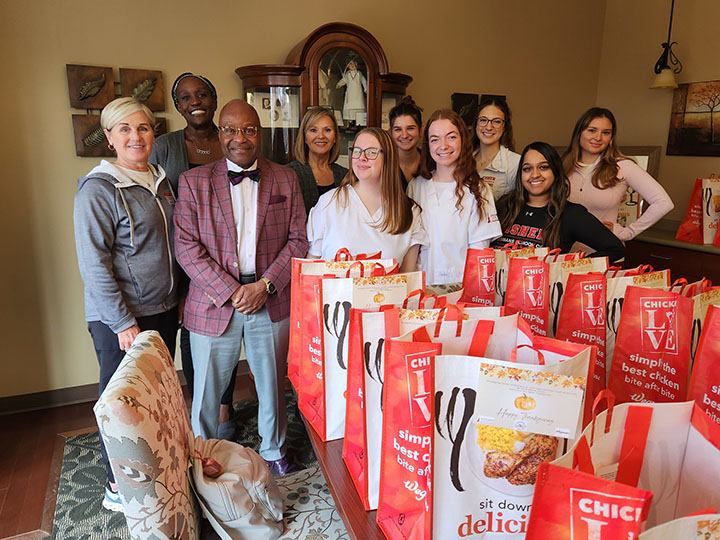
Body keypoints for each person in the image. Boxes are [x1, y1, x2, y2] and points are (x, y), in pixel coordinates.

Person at [174, 99, 308, 477]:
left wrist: (264, 285)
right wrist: (232, 291)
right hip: (214, 302)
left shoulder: (285, 178)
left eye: (248, 129)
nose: (240, 138)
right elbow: (185, 246)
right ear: (220, 134)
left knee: (272, 385)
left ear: (258, 133)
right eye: (231, 130)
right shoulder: (193, 181)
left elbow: (299, 240)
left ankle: (274, 449)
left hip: (270, 297)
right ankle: (202, 456)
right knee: (205, 391)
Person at [73, 97, 180, 512]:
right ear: (111, 138)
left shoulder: (160, 179)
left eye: (144, 128)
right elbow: (93, 263)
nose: (136, 136)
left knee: (154, 395)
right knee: (120, 402)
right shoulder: (97, 189)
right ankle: (117, 483)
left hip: (162, 307)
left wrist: (179, 298)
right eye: (125, 129)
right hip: (120, 317)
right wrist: (121, 322)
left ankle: (156, 471)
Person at [149, 72, 237, 438]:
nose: (194, 101)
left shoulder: (231, 138)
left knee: (230, 327)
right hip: (184, 255)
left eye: (202, 94)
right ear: (178, 106)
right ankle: (199, 401)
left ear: (215, 101)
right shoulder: (165, 146)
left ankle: (224, 405)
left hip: (230, 255)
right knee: (193, 333)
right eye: (185, 97)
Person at [307, 127, 426, 270]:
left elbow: (408, 276)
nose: (362, 158)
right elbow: (311, 268)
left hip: (385, 293)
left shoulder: (408, 211)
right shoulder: (329, 202)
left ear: (388, 158)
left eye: (371, 152)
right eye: (357, 151)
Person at [408, 109, 501, 284]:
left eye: (451, 137)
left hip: (461, 288)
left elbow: (480, 254)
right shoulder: (416, 186)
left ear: (463, 140)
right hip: (421, 287)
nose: (443, 146)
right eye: (435, 139)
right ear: (428, 145)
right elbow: (409, 246)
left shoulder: (479, 190)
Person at [493, 141, 626, 264]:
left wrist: (570, 267)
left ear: (555, 172)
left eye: (543, 167)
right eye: (527, 168)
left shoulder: (571, 214)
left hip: (540, 288)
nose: (535, 174)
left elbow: (615, 249)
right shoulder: (504, 206)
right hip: (495, 287)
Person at [563, 107, 673, 241]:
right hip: (564, 255)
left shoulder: (623, 166)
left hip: (604, 254)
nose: (598, 137)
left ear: (611, 137)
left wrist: (627, 232)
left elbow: (663, 202)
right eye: (592, 130)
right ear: (579, 132)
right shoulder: (562, 165)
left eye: (606, 132)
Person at [286, 107, 347, 213]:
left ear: (335, 137)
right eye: (313, 130)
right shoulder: (289, 173)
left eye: (327, 130)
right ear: (305, 137)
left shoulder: (346, 176)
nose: (321, 136)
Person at [472, 96, 521, 200]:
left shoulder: (515, 164)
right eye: (483, 120)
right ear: (476, 124)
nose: (489, 127)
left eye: (497, 121)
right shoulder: (463, 160)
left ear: (504, 127)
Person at [389, 95, 423, 189]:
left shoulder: (431, 163)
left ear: (421, 130)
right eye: (398, 129)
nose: (404, 135)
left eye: (410, 128)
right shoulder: (384, 164)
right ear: (391, 133)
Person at [336, 59, 367, 124]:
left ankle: (359, 121)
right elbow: (344, 80)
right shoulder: (348, 74)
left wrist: (366, 88)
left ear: (356, 64)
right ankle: (350, 121)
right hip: (350, 94)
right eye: (350, 64)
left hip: (358, 93)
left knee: (359, 106)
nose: (352, 65)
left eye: (353, 64)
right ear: (347, 66)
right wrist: (339, 84)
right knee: (350, 107)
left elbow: (364, 81)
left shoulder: (359, 73)